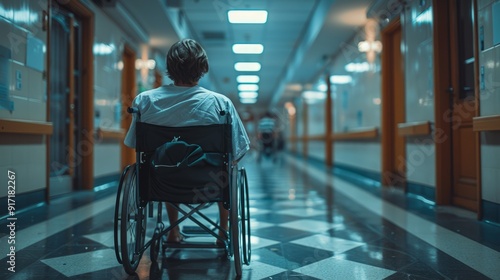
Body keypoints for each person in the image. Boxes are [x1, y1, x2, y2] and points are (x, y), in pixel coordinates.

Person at [124, 38, 250, 244]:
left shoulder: (144, 101)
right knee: (227, 166)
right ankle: (222, 232)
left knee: (168, 161)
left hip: (163, 181)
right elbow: (238, 150)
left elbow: (134, 144)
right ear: (203, 68)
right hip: (210, 180)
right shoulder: (221, 104)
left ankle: (173, 232)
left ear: (170, 67)